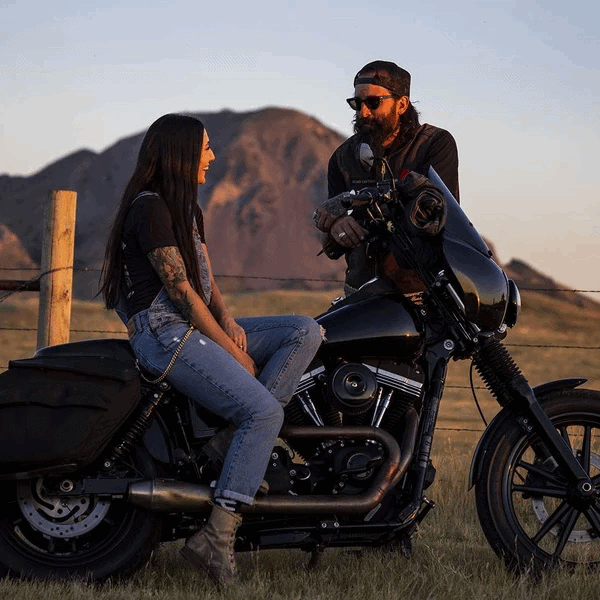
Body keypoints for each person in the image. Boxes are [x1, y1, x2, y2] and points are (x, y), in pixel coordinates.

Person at [100, 114, 322, 585]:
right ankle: (215, 539)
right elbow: (179, 292)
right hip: (161, 332)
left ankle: (226, 445)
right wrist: (231, 351)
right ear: (180, 154)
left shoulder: (188, 210)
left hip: (193, 326)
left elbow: (206, 283)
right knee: (263, 414)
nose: (213, 156)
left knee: (303, 330)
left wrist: (229, 322)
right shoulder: (149, 208)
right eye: (205, 147)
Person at [314, 60, 459, 297]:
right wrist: (337, 225)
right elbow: (331, 232)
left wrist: (362, 199)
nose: (363, 112)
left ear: (401, 104)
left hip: (421, 293)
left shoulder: (435, 144)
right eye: (357, 103)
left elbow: (437, 212)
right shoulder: (343, 158)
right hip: (362, 292)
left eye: (373, 102)